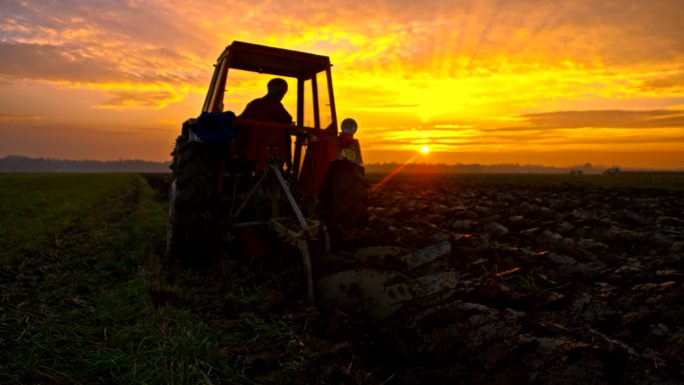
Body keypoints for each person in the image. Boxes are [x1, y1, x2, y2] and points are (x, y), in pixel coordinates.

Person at [236, 78, 293, 170]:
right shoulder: (281, 111)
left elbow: (239, 124)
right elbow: (287, 132)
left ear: (269, 89)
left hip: (249, 155)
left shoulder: (253, 105)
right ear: (283, 92)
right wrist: (289, 164)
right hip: (275, 157)